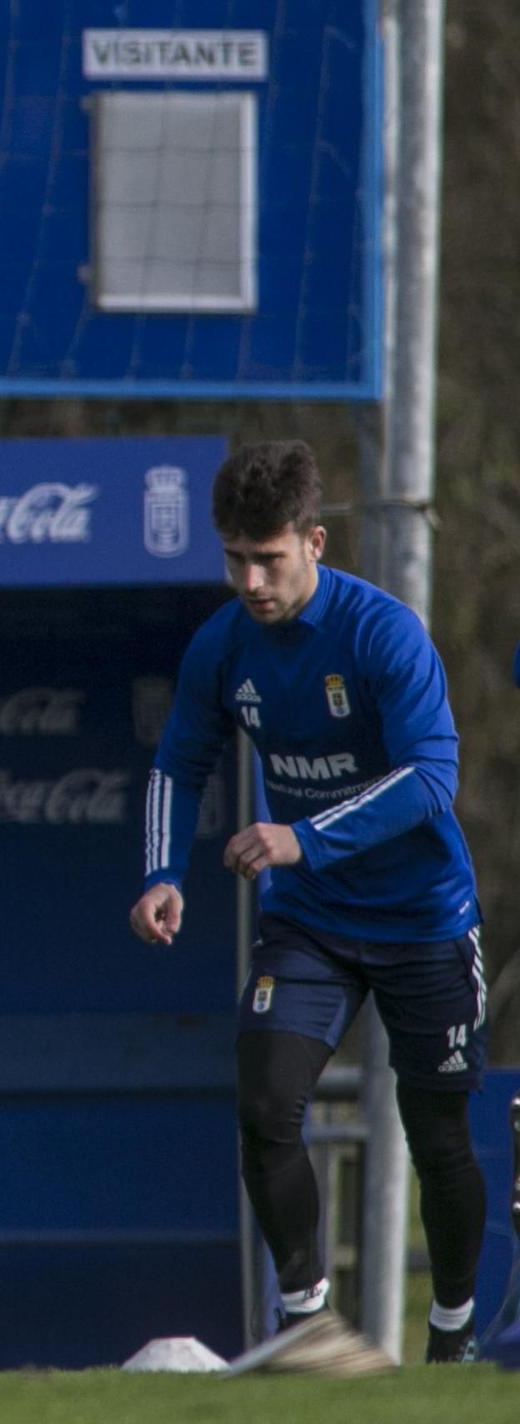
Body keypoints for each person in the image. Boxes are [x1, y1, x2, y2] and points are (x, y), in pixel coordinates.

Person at [131, 440, 486, 1364]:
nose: (251, 580)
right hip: (312, 923)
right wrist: (161, 873)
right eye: (235, 558)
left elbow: (433, 777)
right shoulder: (222, 646)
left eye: (270, 558)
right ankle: (305, 1325)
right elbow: (178, 762)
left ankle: (450, 1336)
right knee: (266, 1104)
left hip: (424, 918)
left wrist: (304, 836)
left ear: (315, 542)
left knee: (437, 1134)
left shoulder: (381, 634)